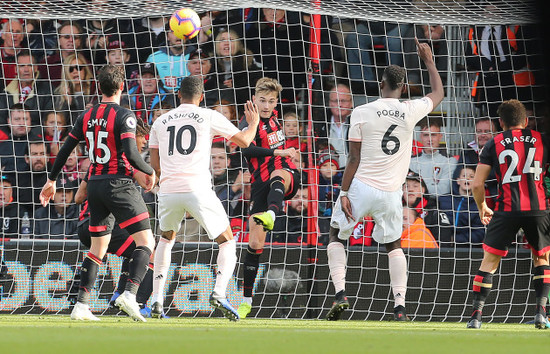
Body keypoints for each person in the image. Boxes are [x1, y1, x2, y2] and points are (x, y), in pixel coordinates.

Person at [325, 38, 443, 321]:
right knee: (393, 245)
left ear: (381, 83)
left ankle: (341, 294)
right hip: (392, 192)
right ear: (403, 87)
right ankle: (400, 307)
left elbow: (353, 158)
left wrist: (343, 192)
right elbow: (439, 93)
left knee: (335, 235)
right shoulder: (410, 109)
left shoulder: (362, 111)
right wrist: (428, 60)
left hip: (361, 186)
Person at [40, 64, 157, 322]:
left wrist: (51, 179)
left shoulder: (86, 115)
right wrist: (149, 170)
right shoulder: (125, 115)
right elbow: (131, 152)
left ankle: (81, 306)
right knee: (147, 242)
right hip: (119, 185)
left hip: (95, 185)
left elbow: (64, 149)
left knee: (97, 249)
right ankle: (130, 293)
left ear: (99, 87)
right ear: (122, 87)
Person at [148, 75, 259, 321]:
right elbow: (245, 141)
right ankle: (219, 293)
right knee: (227, 240)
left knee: (166, 239)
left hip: (168, 189)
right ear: (201, 96)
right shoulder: (208, 115)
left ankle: (156, 300)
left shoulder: (160, 120)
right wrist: (253, 123)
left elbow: (155, 163)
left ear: (179, 95)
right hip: (197, 188)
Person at [467, 99, 550, 329]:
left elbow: (476, 184)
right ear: (525, 121)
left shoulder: (494, 143)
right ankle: (541, 313)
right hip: (538, 209)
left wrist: (483, 206)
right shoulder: (543, 139)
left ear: (501, 123)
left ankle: (476, 316)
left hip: (506, 209)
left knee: (489, 261)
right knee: (542, 258)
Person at [74, 117, 156, 317]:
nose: (144, 141)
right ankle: (137, 302)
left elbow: (78, 197)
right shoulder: (126, 161)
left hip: (86, 224)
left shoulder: (98, 163)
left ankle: (87, 303)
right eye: (141, 136)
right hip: (104, 224)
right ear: (128, 137)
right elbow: (147, 183)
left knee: (118, 252)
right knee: (148, 251)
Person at [236, 77, 300, 319]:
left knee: (277, 174)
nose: (266, 105)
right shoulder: (247, 121)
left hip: (285, 174)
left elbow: (278, 156)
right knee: (254, 244)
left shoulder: (275, 119)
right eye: (262, 100)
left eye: (271, 101)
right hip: (260, 186)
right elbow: (247, 149)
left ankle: (273, 213)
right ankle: (246, 300)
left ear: (276, 103)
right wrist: (279, 150)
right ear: (254, 99)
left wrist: (286, 153)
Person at [0, 50, 54, 127]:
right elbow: (2, 120)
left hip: (37, 137)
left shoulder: (48, 91)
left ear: (35, 68)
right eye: (22, 66)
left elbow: (47, 121)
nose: (26, 70)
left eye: (30, 65)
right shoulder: (6, 92)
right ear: (16, 69)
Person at [438, 165, 485, 246]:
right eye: (464, 176)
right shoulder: (443, 200)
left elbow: (479, 232)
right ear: (458, 181)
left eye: (471, 176)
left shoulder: (479, 205)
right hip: (441, 244)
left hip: (466, 249)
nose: (467, 178)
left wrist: (455, 240)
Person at [409, 118, 457, 196]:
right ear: (421, 137)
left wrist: (418, 189)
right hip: (416, 206)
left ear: (440, 136)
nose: (430, 139)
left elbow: (443, 190)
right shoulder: (411, 161)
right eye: (426, 135)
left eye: (433, 135)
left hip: (439, 206)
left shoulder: (450, 161)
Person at [314, 82, 353, 168]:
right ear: (329, 103)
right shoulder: (319, 125)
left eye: (343, 101)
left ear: (351, 103)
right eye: (335, 101)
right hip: (326, 175)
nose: (339, 105)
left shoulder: (358, 123)